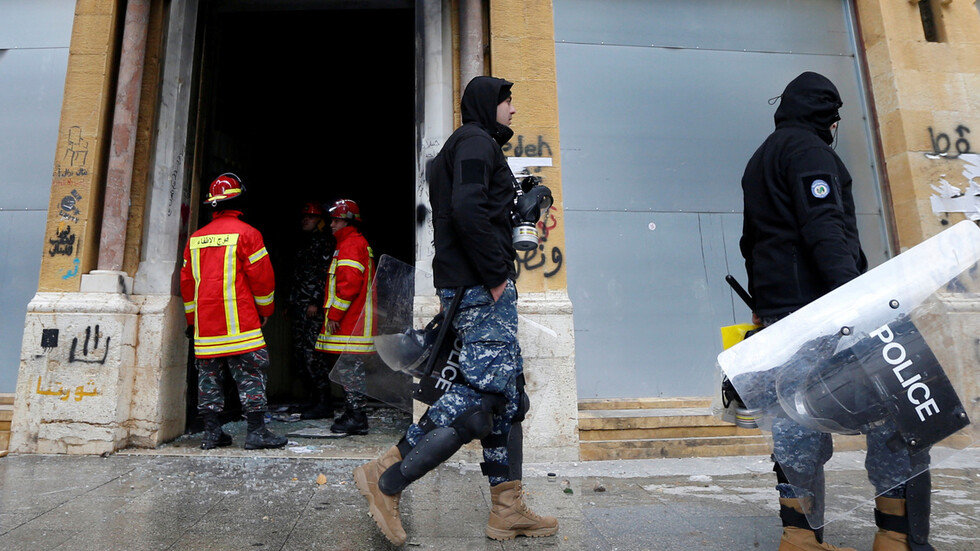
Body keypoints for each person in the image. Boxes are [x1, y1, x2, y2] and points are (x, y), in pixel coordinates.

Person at [352, 76, 558, 546]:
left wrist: (514, 209)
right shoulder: (474, 142)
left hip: (474, 286)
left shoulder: (474, 148)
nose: (513, 110)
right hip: (480, 289)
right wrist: (494, 275)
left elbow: (471, 209)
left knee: (507, 401)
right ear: (489, 103)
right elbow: (465, 211)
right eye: (508, 101)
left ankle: (507, 509)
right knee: (479, 399)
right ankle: (385, 477)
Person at [739, 72, 932, 551]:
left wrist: (768, 309)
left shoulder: (759, 158)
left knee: (795, 426)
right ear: (828, 117)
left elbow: (752, 243)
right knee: (896, 412)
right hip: (824, 313)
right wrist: (854, 303)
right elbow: (824, 226)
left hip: (782, 317)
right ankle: (896, 535)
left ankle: (799, 537)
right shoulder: (810, 152)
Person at [180, 172, 287, 450]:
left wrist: (193, 321)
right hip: (242, 326)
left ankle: (212, 434)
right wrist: (266, 310)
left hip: (206, 330)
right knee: (251, 375)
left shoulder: (195, 239)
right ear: (240, 200)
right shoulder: (248, 234)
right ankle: (256, 432)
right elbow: (263, 280)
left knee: (208, 381)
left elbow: (187, 285)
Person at [312, 198, 375, 435]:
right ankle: (352, 413)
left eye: (336, 220)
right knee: (349, 369)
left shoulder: (351, 245)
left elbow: (348, 285)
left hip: (351, 321)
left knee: (350, 369)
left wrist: (335, 313)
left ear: (347, 221)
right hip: (353, 319)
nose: (331, 225)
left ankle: (357, 417)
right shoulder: (349, 243)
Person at [286, 201, 335, 419]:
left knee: (313, 355)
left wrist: (316, 301)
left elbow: (325, 274)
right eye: (304, 216)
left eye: (311, 217)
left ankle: (324, 402)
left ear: (320, 221)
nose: (305, 220)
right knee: (300, 354)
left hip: (312, 309)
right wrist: (290, 303)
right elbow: (296, 275)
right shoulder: (302, 242)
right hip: (299, 306)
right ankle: (311, 400)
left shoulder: (325, 243)